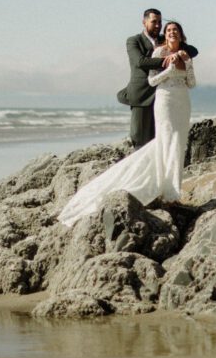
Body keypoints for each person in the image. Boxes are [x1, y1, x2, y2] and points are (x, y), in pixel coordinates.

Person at [58, 21, 196, 227]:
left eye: (175, 30)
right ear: (165, 36)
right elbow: (152, 81)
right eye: (168, 31)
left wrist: (184, 63)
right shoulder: (159, 52)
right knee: (166, 142)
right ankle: (168, 192)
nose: (171, 33)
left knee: (179, 144)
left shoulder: (186, 54)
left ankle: (173, 191)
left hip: (182, 102)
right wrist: (169, 66)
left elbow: (192, 83)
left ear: (181, 35)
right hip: (165, 100)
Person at [117, 8, 197, 148]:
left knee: (161, 139)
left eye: (160, 22)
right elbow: (140, 62)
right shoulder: (134, 41)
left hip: (163, 96)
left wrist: (179, 54)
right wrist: (167, 60)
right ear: (144, 22)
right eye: (154, 22)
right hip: (142, 95)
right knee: (140, 140)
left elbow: (193, 50)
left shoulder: (164, 38)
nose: (158, 26)